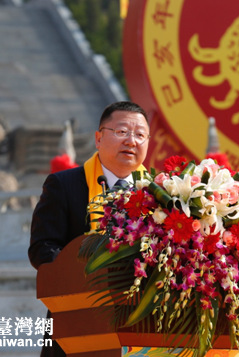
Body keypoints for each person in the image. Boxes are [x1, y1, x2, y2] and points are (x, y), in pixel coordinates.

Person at [28, 101, 150, 356]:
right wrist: (84, 274)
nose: (131, 141)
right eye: (121, 132)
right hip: (76, 320)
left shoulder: (158, 193)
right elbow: (42, 247)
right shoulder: (64, 184)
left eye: (140, 135)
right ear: (98, 138)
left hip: (143, 322)